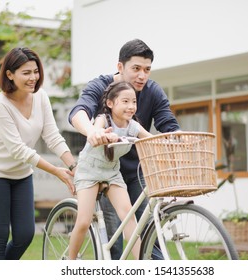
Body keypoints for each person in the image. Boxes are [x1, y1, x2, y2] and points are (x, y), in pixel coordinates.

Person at [68, 39, 180, 259]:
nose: (142, 76)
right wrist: (93, 132)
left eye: (147, 70)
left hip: (133, 170)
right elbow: (79, 111)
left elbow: (167, 123)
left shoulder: (152, 91)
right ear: (120, 67)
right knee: (113, 238)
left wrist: (175, 141)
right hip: (98, 167)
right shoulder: (102, 87)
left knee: (146, 228)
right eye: (136, 69)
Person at [0, 47, 77, 260]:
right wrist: (55, 171)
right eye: (26, 73)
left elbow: (52, 135)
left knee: (25, 235)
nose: (33, 77)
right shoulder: (0, 103)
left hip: (21, 176)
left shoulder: (40, 97)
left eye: (35, 71)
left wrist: (72, 166)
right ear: (10, 74)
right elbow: (18, 149)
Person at [69, 81, 152, 260]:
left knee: (129, 217)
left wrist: (168, 142)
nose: (131, 106)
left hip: (111, 172)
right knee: (83, 221)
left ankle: (143, 264)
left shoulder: (133, 126)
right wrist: (103, 135)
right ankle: (69, 262)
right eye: (125, 101)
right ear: (110, 103)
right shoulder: (103, 119)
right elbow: (96, 131)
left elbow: (151, 139)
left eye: (134, 102)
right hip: (88, 171)